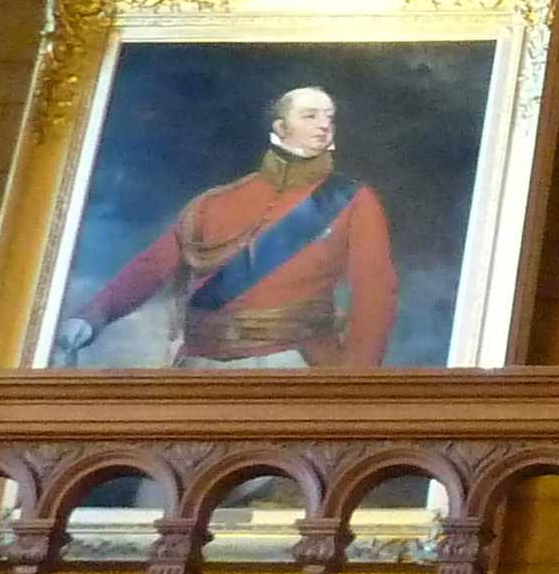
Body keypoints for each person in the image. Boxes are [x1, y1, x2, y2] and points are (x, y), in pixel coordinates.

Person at [60, 85, 399, 368]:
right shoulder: (215, 203)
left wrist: (357, 377)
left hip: (292, 364)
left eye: (329, 118)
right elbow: (154, 265)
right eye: (310, 116)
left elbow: (375, 290)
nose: (324, 125)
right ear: (280, 128)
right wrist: (92, 317)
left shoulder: (353, 200)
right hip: (201, 363)